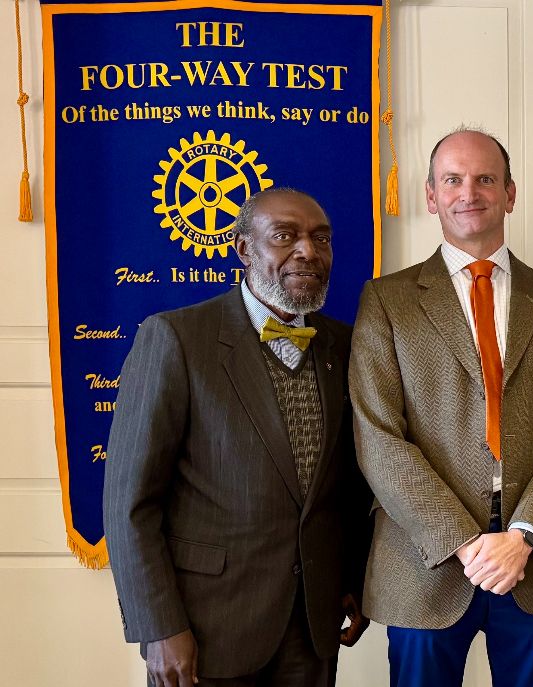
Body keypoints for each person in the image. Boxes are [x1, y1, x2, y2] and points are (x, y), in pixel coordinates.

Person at [349, 128, 533, 687]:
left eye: (485, 178)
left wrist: (523, 535)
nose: (470, 191)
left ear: (510, 193)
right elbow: (378, 437)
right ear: (431, 195)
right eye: (452, 180)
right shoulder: (386, 301)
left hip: (531, 563)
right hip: (424, 562)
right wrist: (462, 541)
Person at [104, 188, 372, 687]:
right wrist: (160, 627)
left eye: (321, 239)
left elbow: (350, 484)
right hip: (207, 630)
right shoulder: (175, 339)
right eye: (284, 236)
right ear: (244, 249)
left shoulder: (346, 343)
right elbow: (129, 503)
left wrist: (352, 577)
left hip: (312, 628)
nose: (307, 251)